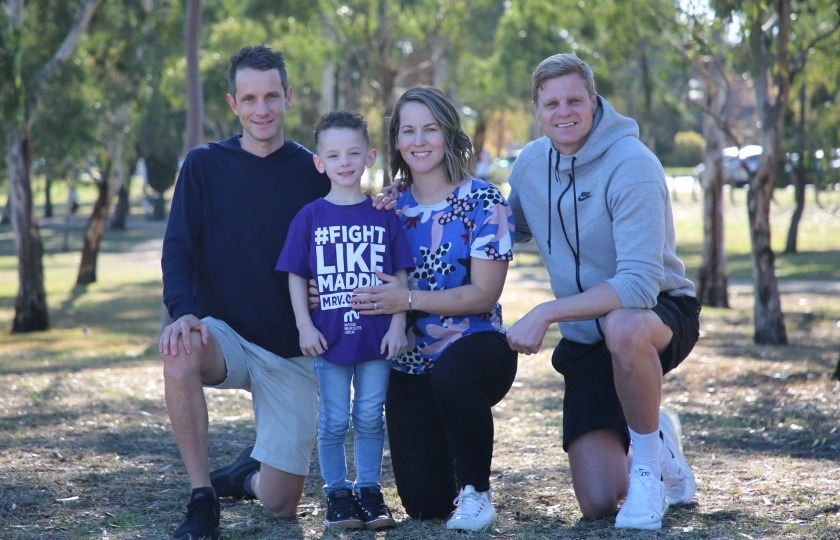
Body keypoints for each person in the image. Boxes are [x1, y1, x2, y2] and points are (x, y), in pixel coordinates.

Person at [505, 52, 700, 531]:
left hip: (655, 313)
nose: (563, 111)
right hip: (586, 341)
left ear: (593, 102)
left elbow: (637, 284)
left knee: (623, 324)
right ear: (537, 110)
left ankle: (650, 469)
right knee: (597, 502)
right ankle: (660, 434)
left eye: (574, 99)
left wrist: (547, 311)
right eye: (551, 103)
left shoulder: (633, 164)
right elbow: (502, 230)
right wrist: (405, 207)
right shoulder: (530, 165)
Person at [158, 44, 330, 540]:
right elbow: (178, 250)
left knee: (281, 505)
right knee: (179, 349)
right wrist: (184, 314)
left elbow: (345, 232)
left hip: (291, 349)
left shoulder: (312, 171)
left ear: (288, 97)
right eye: (250, 98)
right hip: (225, 336)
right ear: (234, 103)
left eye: (271, 96)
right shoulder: (203, 165)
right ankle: (202, 497)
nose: (262, 109)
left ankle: (246, 476)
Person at [349, 86, 518, 533]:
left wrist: (407, 300)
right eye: (409, 130)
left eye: (430, 129)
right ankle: (448, 457)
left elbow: (483, 294)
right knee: (424, 505)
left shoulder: (483, 201)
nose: (419, 140)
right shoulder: (387, 205)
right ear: (397, 141)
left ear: (448, 134)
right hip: (410, 363)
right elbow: (361, 277)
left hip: (476, 350)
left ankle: (477, 493)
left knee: (452, 375)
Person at [276, 111, 414, 530]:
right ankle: (338, 494)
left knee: (371, 416)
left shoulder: (383, 214)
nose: (345, 162)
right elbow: (297, 275)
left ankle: (369, 491)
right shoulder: (310, 217)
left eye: (354, 152)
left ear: (370, 156)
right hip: (329, 340)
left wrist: (396, 326)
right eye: (333, 155)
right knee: (334, 420)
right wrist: (304, 325)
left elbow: (401, 274)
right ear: (320, 163)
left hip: (376, 339)